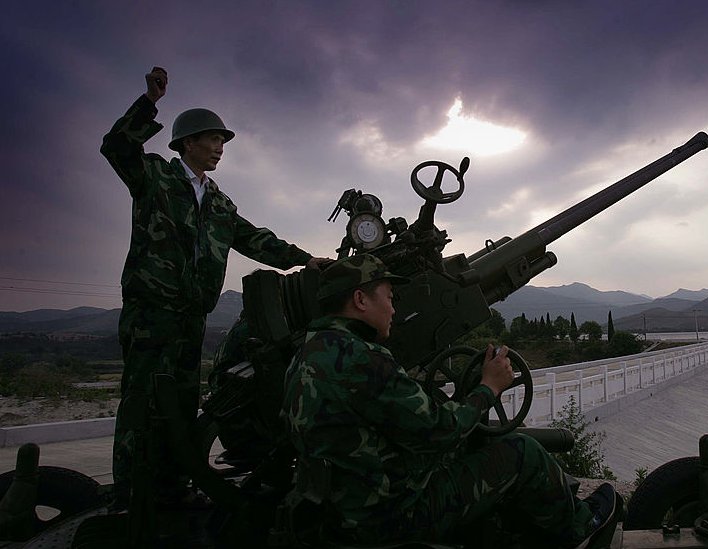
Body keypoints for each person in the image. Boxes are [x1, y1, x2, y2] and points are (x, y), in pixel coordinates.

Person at [101, 66, 332, 510]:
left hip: (192, 317)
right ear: (188, 142)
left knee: (182, 407)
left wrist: (306, 260)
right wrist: (149, 102)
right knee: (142, 404)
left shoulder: (221, 203)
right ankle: (130, 497)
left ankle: (171, 487)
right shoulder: (155, 178)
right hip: (152, 313)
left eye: (223, 141)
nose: (219, 148)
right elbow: (116, 148)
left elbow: (257, 240)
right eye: (212, 139)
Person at [281, 254, 622, 548]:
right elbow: (439, 431)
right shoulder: (363, 359)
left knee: (470, 449)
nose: (394, 308)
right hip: (390, 516)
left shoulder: (305, 356)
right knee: (521, 452)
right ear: (360, 300)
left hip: (340, 510)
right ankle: (579, 529)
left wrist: (462, 403)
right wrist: (489, 388)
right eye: (389, 296)